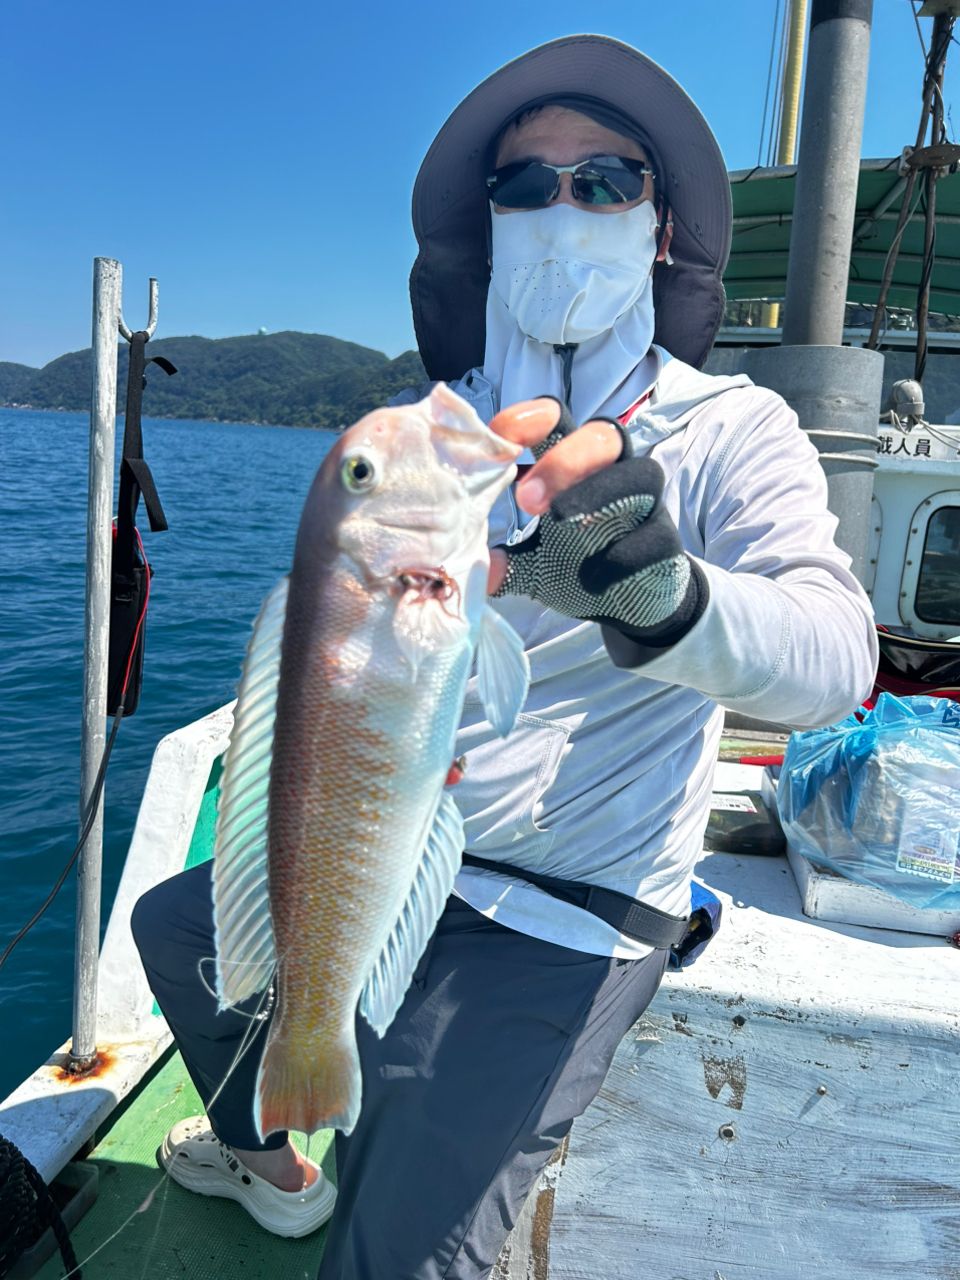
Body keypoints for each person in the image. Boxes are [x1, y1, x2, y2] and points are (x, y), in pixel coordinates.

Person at [131, 33, 878, 1280]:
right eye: (525, 185)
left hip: (573, 906)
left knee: (397, 1265)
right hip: (410, 846)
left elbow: (836, 656)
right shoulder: (436, 433)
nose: (562, 206)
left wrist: (667, 597)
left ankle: (360, 1167)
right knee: (173, 925)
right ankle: (278, 1166)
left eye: (605, 179)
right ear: (487, 230)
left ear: (661, 228)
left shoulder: (736, 428)